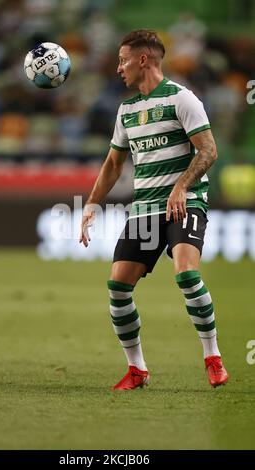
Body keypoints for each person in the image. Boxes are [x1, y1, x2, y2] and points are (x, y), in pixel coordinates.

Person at [79, 29, 228, 390]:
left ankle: (213, 357)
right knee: (117, 286)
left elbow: (208, 151)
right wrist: (90, 206)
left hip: (184, 204)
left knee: (186, 275)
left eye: (122, 59)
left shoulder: (182, 99)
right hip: (144, 210)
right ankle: (137, 370)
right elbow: (113, 165)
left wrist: (180, 187)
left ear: (142, 59)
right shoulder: (127, 110)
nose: (118, 68)